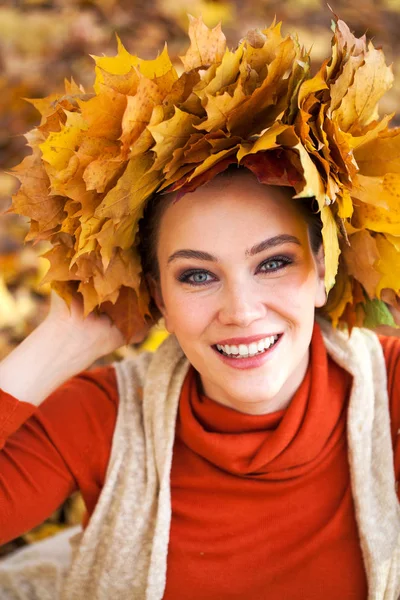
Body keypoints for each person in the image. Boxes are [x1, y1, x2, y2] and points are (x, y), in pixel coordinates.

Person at [1, 14, 400, 600]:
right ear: (158, 294)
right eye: (196, 275)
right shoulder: (107, 416)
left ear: (323, 270)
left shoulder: (390, 391)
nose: (240, 310)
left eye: (273, 263)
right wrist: (57, 344)